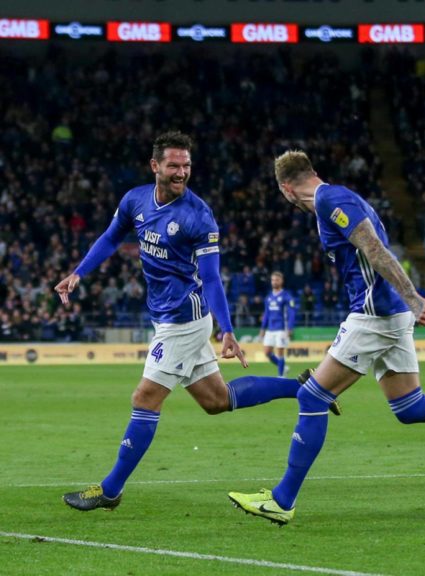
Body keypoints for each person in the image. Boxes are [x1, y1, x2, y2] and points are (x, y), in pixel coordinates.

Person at [228, 151, 425, 525]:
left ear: (285, 189)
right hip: (384, 313)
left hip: (376, 313)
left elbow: (376, 250)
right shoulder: (334, 202)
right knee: (411, 408)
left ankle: (282, 500)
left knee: (312, 395)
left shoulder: (331, 200)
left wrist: (412, 298)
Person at [57, 132, 334, 512]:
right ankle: (303, 387)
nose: (181, 172)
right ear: (155, 166)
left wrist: (228, 329)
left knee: (145, 397)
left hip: (183, 320)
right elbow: (109, 237)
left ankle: (110, 489)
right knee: (217, 400)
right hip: (165, 316)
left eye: (186, 165)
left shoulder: (198, 216)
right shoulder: (134, 200)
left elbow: (213, 278)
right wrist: (79, 273)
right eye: (174, 165)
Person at [260, 271, 296, 377]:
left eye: (277, 280)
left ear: (281, 281)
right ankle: (283, 367)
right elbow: (266, 314)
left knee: (280, 352)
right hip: (270, 329)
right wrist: (262, 328)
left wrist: (289, 328)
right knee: (267, 352)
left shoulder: (286, 296)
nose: (274, 282)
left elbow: (292, 313)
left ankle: (281, 376)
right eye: (273, 280)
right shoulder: (268, 297)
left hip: (282, 328)